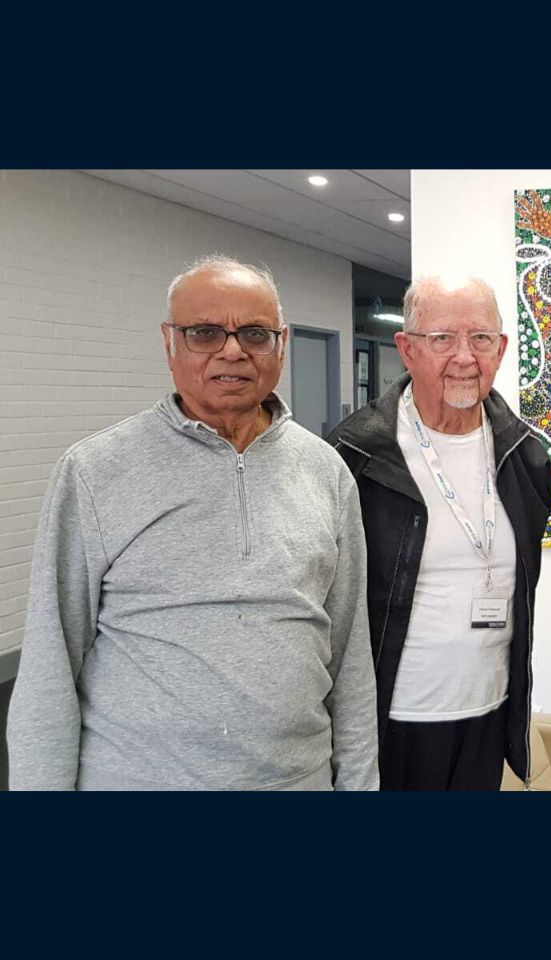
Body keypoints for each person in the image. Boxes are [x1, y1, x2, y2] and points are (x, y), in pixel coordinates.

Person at [7, 255, 378, 790]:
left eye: (254, 332)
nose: (233, 350)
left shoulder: (326, 471)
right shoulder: (95, 472)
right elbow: (49, 666)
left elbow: (350, 660)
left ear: (282, 344)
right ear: (169, 344)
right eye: (205, 332)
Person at [328, 276, 551, 791]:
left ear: (501, 349)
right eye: (442, 338)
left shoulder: (525, 455)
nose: (464, 357)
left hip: (488, 711)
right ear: (406, 349)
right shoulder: (355, 455)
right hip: (391, 719)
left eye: (480, 338)